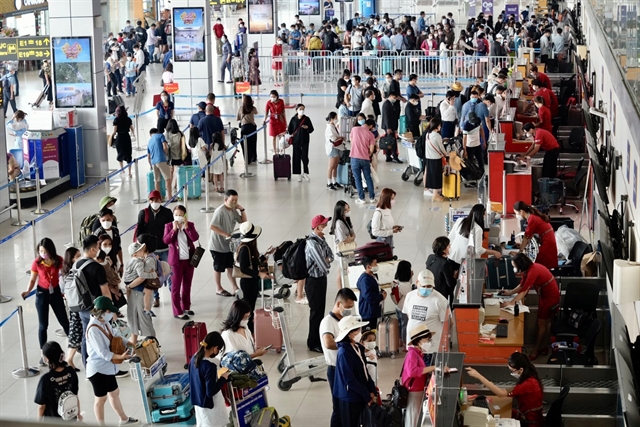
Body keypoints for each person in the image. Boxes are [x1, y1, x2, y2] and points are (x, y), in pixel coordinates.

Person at [85, 296, 138, 426]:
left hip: (108, 367)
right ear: (102, 312)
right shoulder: (93, 329)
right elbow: (103, 353)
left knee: (114, 392)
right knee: (101, 399)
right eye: (110, 311)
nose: (111, 314)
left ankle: (124, 419)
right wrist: (121, 357)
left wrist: (130, 344)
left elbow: (116, 336)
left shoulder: (104, 323)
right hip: (98, 369)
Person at [501, 254, 560, 360]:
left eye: (515, 266)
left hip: (550, 296)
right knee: (545, 322)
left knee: (542, 323)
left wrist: (511, 303)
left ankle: (536, 350)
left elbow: (524, 291)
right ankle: (543, 347)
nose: (514, 268)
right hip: (544, 295)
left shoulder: (533, 271)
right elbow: (522, 285)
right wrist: (509, 293)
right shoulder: (528, 270)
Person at [21, 238, 69, 366]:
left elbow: (64, 274)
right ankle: (44, 354)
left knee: (64, 320)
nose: (43, 253)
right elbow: (32, 280)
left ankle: (75, 346)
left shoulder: (58, 260)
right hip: (42, 293)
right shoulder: (36, 263)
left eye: (45, 251)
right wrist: (27, 291)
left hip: (56, 293)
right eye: (41, 251)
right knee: (43, 325)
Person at [465, 352, 544, 427]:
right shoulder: (529, 375)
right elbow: (508, 391)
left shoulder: (529, 383)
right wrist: (490, 385)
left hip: (530, 421)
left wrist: (479, 376)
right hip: (523, 415)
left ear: (521, 370)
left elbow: (501, 393)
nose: (511, 373)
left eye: (512, 371)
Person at [320, 289, 358, 427]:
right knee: (339, 407)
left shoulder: (344, 320)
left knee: (347, 406)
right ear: (338, 304)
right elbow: (328, 343)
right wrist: (347, 344)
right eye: (347, 307)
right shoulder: (328, 322)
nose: (349, 310)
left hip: (346, 367)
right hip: (336, 370)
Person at [333, 316, 377, 427]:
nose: (359, 332)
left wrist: (371, 389)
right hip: (349, 397)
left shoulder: (357, 348)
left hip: (359, 394)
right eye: (357, 330)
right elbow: (349, 379)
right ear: (349, 333)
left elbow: (364, 371)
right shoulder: (344, 353)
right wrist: (366, 394)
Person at [402, 325, 446, 427]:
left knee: (416, 415)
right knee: (413, 416)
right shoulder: (412, 354)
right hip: (414, 390)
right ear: (418, 341)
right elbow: (412, 372)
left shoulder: (418, 354)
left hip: (418, 390)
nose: (429, 342)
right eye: (427, 339)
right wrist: (433, 367)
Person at [135, 190, 174, 306]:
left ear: (160, 200)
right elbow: (139, 232)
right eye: (152, 200)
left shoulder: (167, 213)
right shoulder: (144, 213)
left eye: (156, 200)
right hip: (151, 251)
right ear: (149, 200)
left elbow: (171, 229)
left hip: (165, 248)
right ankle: (156, 297)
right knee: (153, 275)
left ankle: (174, 295)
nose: (154, 202)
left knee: (170, 273)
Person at [163, 205, 199, 320]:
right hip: (176, 262)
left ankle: (186, 306)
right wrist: (174, 230)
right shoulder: (168, 226)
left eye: (180, 215)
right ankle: (177, 311)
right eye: (176, 215)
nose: (178, 217)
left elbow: (195, 238)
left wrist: (187, 227)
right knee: (176, 286)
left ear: (185, 215)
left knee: (187, 284)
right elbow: (166, 240)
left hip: (189, 260)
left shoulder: (190, 225)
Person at [209, 190, 247, 297]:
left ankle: (235, 287)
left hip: (228, 245)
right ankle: (218, 288)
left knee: (231, 266)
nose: (235, 202)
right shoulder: (220, 211)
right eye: (232, 200)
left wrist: (242, 210)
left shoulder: (234, 210)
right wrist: (225, 234)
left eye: (236, 200)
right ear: (226, 199)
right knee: (218, 267)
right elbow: (212, 226)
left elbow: (243, 222)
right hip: (217, 245)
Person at [306, 215, 335, 352]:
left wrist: (326, 261)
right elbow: (324, 265)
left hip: (321, 279)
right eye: (323, 226)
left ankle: (317, 339)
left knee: (320, 310)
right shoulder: (312, 243)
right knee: (316, 312)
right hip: (313, 281)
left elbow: (331, 255)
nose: (325, 228)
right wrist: (326, 262)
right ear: (317, 227)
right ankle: (313, 342)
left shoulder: (321, 240)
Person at [234, 221, 270, 332]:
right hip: (248, 283)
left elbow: (253, 262)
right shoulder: (245, 249)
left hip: (251, 282)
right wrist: (259, 273)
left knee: (250, 307)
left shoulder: (248, 247)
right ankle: (248, 330)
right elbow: (244, 268)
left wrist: (264, 256)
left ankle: (249, 329)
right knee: (248, 309)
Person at [189, 332, 230, 427]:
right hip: (210, 408)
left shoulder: (194, 358)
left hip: (198, 403)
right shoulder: (209, 367)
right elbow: (211, 391)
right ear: (215, 348)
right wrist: (223, 378)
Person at [34, 341, 81, 421]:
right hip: (70, 416)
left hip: (53, 421)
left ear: (47, 359)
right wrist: (78, 413)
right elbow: (75, 395)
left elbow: (42, 406)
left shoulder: (46, 379)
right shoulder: (71, 372)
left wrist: (39, 423)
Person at [447, 204, 502, 269]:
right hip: (462, 262)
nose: (484, 218)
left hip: (450, 256)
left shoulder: (460, 220)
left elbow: (450, 238)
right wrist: (494, 252)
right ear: (480, 216)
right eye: (484, 215)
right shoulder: (477, 229)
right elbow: (478, 250)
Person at [402, 270, 448, 347]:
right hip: (413, 345)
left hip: (431, 348)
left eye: (429, 286)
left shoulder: (440, 300)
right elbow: (409, 315)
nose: (426, 288)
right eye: (423, 286)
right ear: (417, 282)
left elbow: (448, 322)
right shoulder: (410, 296)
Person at [124, 240, 157, 343]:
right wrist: (152, 275)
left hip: (132, 291)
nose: (142, 250)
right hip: (138, 291)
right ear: (135, 254)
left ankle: (135, 343)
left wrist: (128, 286)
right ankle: (151, 341)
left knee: (133, 315)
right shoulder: (139, 262)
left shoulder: (129, 262)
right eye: (139, 250)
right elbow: (142, 277)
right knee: (143, 315)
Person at [512, 201, 559, 269]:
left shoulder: (532, 219)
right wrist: (522, 245)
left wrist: (520, 252)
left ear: (521, 211)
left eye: (516, 213)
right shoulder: (532, 216)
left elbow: (527, 236)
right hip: (546, 239)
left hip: (547, 242)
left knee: (536, 263)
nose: (516, 216)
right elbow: (530, 236)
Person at [350, 118, 378, 204]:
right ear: (371, 126)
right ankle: (372, 197)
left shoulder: (354, 129)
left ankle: (361, 198)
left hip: (354, 157)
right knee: (368, 177)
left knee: (357, 178)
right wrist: (368, 154)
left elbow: (351, 142)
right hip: (365, 158)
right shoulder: (371, 135)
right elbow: (372, 148)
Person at [329, 200, 355, 289]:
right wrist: (351, 238)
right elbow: (343, 239)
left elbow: (353, 233)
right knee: (340, 271)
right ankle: (341, 290)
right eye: (345, 210)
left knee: (342, 270)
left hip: (347, 249)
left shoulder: (346, 219)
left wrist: (351, 237)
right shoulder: (339, 223)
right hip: (342, 250)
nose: (348, 211)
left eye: (348, 208)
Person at [356, 257, 387, 330]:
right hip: (368, 312)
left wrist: (381, 291)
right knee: (369, 332)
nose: (377, 265)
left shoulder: (372, 276)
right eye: (375, 264)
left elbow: (374, 287)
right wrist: (381, 297)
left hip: (373, 310)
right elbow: (368, 295)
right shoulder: (365, 280)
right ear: (368, 267)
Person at [426, 236, 457, 306]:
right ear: (443, 249)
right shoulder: (445, 264)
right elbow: (450, 283)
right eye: (449, 246)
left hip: (431, 290)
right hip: (441, 295)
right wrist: (455, 277)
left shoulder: (430, 257)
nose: (450, 247)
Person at [288, 103, 314, 182]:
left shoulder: (307, 119)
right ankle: (298, 174)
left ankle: (305, 173)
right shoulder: (293, 119)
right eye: (300, 109)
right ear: (296, 110)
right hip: (296, 141)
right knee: (296, 157)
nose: (302, 111)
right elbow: (290, 130)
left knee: (305, 157)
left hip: (305, 141)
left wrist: (307, 128)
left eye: (303, 109)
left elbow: (311, 129)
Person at [93, 208, 124, 275]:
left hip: (114, 261)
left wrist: (121, 264)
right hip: (102, 263)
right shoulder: (97, 233)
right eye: (103, 220)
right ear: (100, 220)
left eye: (108, 220)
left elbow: (119, 248)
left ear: (112, 219)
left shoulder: (115, 230)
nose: (106, 222)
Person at [423, 117, 447, 201]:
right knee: (436, 176)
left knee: (431, 175)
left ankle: (434, 193)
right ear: (436, 126)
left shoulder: (428, 134)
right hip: (436, 159)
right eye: (439, 125)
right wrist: (446, 154)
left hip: (428, 158)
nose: (440, 127)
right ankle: (435, 195)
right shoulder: (437, 136)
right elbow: (441, 148)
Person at [391, 261, 413, 347]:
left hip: (398, 307)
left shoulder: (395, 281)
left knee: (400, 324)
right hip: (404, 308)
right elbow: (409, 294)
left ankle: (400, 340)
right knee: (405, 325)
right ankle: (405, 342)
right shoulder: (404, 285)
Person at [147, 128, 172, 200]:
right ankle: (170, 197)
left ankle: (158, 198)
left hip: (153, 162)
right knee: (167, 179)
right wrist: (166, 154)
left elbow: (148, 156)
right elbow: (165, 146)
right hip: (161, 159)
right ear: (157, 132)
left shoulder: (149, 141)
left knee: (157, 180)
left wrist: (150, 165)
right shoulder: (161, 136)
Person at [380, 91, 402, 163]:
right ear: (390, 96)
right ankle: (394, 156)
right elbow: (386, 117)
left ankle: (388, 156)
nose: (395, 99)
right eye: (394, 97)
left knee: (389, 141)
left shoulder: (394, 104)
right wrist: (388, 128)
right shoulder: (386, 104)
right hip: (388, 126)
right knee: (392, 141)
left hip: (392, 125)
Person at [324, 112, 344, 191]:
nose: (337, 119)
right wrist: (340, 138)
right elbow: (333, 138)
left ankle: (334, 181)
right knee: (331, 166)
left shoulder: (333, 126)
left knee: (335, 165)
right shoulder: (329, 128)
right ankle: (329, 183)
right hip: (332, 148)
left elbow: (336, 136)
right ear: (332, 119)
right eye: (336, 118)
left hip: (337, 147)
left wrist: (340, 137)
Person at [165, 119, 187, 188]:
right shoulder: (180, 133)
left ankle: (169, 185)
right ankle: (176, 184)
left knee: (170, 172)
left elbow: (166, 145)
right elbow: (183, 144)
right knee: (177, 171)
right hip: (179, 155)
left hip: (170, 156)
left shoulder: (167, 134)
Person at [462, 111, 485, 176]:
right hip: (469, 146)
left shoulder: (478, 120)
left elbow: (481, 130)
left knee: (481, 161)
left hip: (478, 145)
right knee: (470, 163)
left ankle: (482, 175)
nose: (474, 122)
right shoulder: (466, 125)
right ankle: (472, 176)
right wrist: (465, 150)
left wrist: (484, 141)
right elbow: (464, 138)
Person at [237, 95, 259, 165]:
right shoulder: (253, 108)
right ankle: (253, 157)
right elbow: (256, 112)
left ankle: (247, 159)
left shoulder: (241, 108)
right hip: (252, 127)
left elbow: (237, 118)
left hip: (244, 128)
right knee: (253, 143)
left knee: (244, 144)